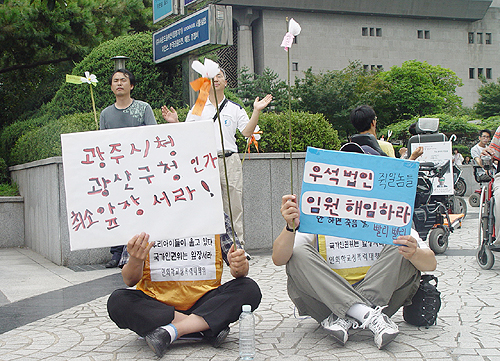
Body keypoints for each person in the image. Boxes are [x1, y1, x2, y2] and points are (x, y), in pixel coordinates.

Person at [272, 144, 436, 350]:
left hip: (381, 300)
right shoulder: (321, 210)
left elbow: (430, 263)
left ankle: (348, 316)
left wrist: (414, 253)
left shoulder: (388, 211)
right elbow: (279, 258)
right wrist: (289, 226)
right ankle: (365, 314)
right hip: (329, 300)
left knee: (402, 245)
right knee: (296, 254)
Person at [107, 215, 262, 358]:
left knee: (249, 289)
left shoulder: (215, 213)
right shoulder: (141, 215)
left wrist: (239, 265)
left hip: (205, 301)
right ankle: (204, 326)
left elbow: (240, 269)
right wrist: (135, 259)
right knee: (118, 301)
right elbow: (129, 280)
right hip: (157, 304)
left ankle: (171, 331)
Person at [162, 69, 272, 246]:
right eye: (211, 77)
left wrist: (256, 111)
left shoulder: (235, 108)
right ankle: (214, 248)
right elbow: (187, 133)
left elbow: (246, 132)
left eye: (219, 75)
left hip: (230, 160)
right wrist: (175, 122)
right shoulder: (198, 106)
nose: (215, 79)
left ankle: (238, 246)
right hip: (206, 163)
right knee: (208, 206)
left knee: (234, 206)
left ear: (226, 82)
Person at [99, 69, 174, 268]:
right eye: (115, 81)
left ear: (131, 85)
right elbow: (102, 143)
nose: (119, 83)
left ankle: (141, 249)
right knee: (116, 209)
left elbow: (153, 135)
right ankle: (116, 252)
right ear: (111, 86)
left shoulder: (143, 108)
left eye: (123, 80)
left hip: (141, 171)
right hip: (116, 172)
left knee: (140, 209)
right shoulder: (105, 114)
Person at [350, 105, 423, 160]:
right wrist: (409, 156)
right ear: (373, 122)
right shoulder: (385, 146)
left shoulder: (350, 147)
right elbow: (394, 172)